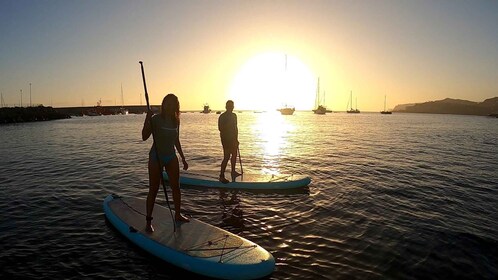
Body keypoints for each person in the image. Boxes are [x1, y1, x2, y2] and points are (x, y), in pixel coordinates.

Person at [142, 93, 189, 232]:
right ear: (163, 104)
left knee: (176, 187)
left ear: (176, 106)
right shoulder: (156, 119)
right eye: (167, 103)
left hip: (171, 156)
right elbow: (144, 137)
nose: (169, 106)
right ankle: (148, 221)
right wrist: (147, 119)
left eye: (172, 104)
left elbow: (176, 140)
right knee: (154, 189)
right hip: (156, 157)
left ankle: (178, 214)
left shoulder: (176, 121)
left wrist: (183, 158)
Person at [218, 100, 241, 183]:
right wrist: (229, 124)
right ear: (226, 107)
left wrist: (236, 139)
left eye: (232, 106)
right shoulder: (222, 116)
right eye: (229, 106)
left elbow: (236, 128)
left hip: (233, 139)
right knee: (226, 157)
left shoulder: (234, 115)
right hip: (225, 139)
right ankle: (221, 175)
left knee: (234, 155)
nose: (231, 108)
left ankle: (233, 172)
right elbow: (220, 128)